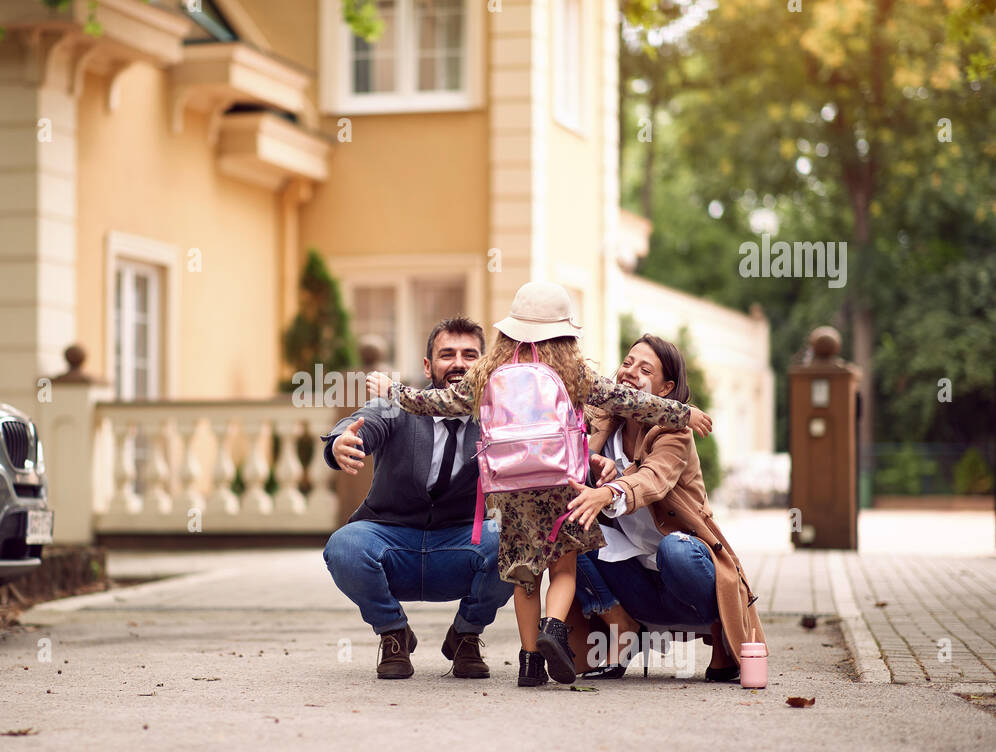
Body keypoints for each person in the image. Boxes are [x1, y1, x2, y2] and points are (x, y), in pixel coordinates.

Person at [366, 283, 712, 686]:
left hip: (511, 485)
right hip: (561, 481)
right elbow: (627, 400)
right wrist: (681, 412)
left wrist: (393, 390)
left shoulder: (489, 369)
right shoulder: (573, 371)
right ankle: (554, 628)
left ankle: (530, 663)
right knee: (563, 568)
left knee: (524, 576)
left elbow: (438, 403)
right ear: (564, 332)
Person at [561, 333, 768, 682]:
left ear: (665, 389)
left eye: (644, 369)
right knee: (567, 529)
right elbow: (569, 464)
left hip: (686, 575)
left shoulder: (675, 432)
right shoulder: (601, 423)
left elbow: (653, 480)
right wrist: (593, 462)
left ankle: (720, 634)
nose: (629, 372)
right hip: (633, 582)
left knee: (676, 551)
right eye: (627, 363)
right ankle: (621, 627)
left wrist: (609, 492)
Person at [321, 317, 514, 680]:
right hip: (392, 542)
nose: (458, 363)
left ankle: (465, 636)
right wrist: (340, 442)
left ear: (484, 363)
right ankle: (393, 633)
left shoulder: (497, 419)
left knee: (514, 541)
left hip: (460, 545)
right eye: (447, 354)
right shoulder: (398, 406)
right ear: (428, 366)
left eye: (470, 354)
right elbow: (364, 422)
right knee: (344, 546)